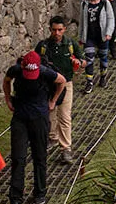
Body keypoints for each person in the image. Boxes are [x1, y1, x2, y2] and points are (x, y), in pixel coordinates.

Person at [3, 51, 65, 204]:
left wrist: (53, 101)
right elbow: (6, 81)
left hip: (39, 117)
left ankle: (40, 193)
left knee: (40, 156)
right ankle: (15, 197)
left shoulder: (45, 72)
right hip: (20, 117)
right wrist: (8, 99)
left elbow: (62, 81)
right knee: (18, 157)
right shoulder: (15, 70)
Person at [35, 16, 83, 164]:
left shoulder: (70, 44)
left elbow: (83, 60)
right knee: (50, 114)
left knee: (65, 116)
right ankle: (53, 138)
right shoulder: (43, 46)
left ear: (64, 30)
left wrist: (78, 62)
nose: (57, 33)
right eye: (54, 30)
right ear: (50, 29)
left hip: (66, 84)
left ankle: (66, 148)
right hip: (48, 85)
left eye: (60, 30)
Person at [80, 0, 116, 94]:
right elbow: (82, 21)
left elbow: (111, 18)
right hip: (89, 35)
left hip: (102, 35)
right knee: (89, 58)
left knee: (103, 57)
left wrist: (109, 32)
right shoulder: (85, 4)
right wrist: (81, 36)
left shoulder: (105, 3)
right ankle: (89, 81)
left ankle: (103, 77)